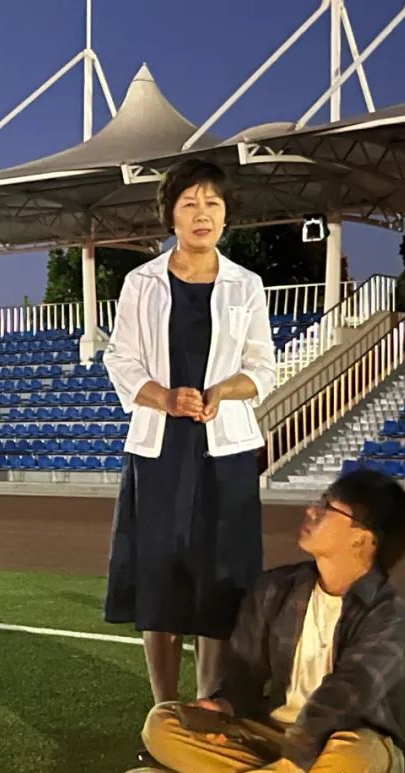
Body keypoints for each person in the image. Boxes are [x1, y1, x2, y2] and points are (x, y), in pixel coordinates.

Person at [116, 468, 405, 773]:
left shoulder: (389, 615)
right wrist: (224, 706)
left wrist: (288, 771)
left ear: (362, 539)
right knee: (162, 723)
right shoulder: (275, 588)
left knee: (341, 765)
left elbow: (344, 696)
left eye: (327, 507)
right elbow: (244, 675)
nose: (311, 511)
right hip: (272, 736)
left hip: (348, 742)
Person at [103, 158, 276, 705]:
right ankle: (163, 710)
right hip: (160, 449)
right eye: (190, 204)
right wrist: (164, 397)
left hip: (226, 450)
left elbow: (263, 367)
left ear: (226, 215)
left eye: (213, 204)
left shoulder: (246, 285)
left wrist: (223, 390)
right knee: (160, 578)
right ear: (171, 215)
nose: (202, 214)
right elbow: (120, 359)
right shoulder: (141, 282)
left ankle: (207, 708)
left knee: (220, 581)